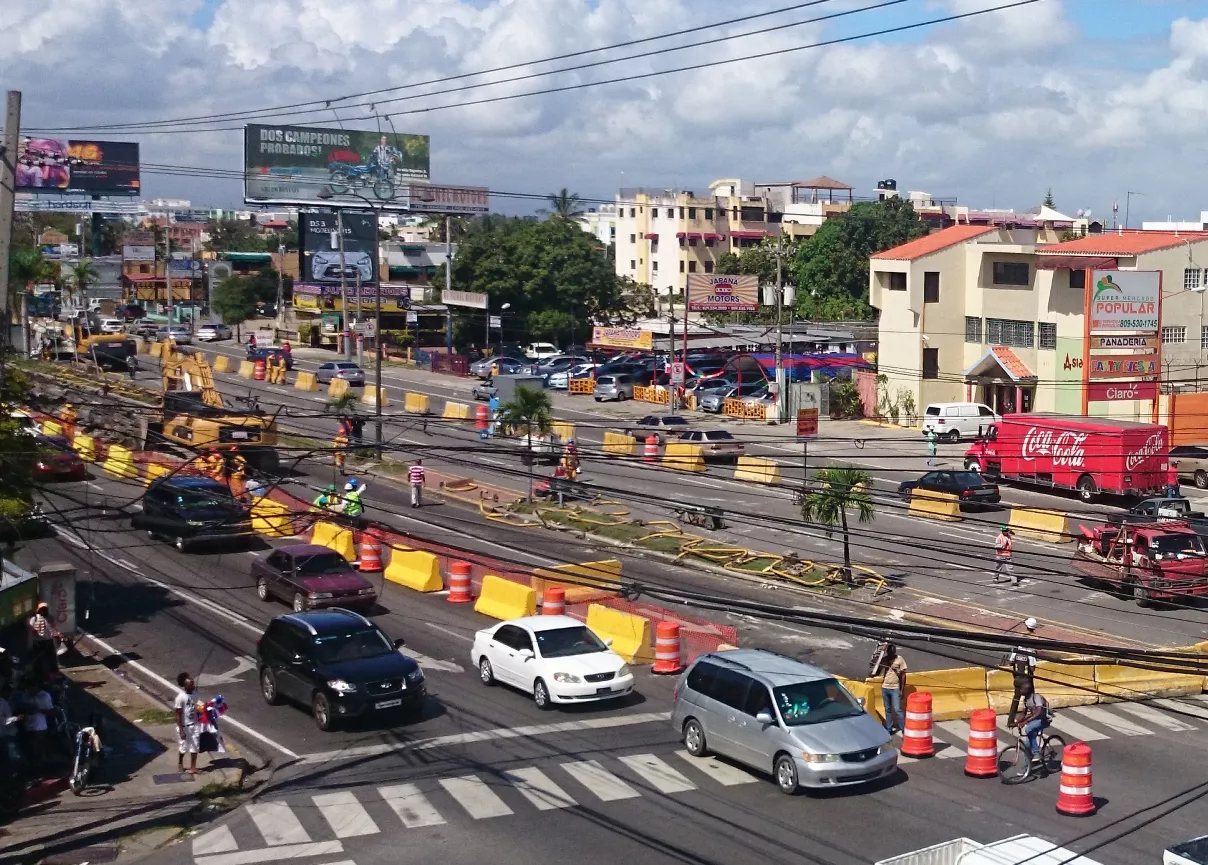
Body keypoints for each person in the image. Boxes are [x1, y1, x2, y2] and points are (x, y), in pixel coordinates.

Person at [1005, 618, 1039, 727]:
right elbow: (1033, 668)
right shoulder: (1030, 652)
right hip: (1027, 680)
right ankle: (1032, 716)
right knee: (1031, 697)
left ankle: (1010, 721)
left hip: (1017, 679)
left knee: (1016, 699)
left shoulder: (1016, 651)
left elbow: (1010, 663)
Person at [877, 642, 908, 735]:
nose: (891, 655)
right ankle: (889, 729)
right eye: (890, 653)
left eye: (893, 653)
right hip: (885, 687)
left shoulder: (900, 659)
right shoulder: (884, 660)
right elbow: (878, 671)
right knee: (888, 709)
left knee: (898, 709)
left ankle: (903, 729)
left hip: (895, 688)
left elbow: (903, 675)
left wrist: (902, 689)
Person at [1015, 680, 1050, 760]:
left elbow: (1038, 712)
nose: (1020, 690)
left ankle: (1036, 753)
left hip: (1044, 719)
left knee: (1028, 728)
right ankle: (1026, 770)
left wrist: (1026, 721)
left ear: (1027, 690)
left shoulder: (1036, 697)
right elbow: (1023, 714)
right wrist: (1017, 722)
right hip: (1035, 720)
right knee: (1027, 746)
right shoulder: (1025, 700)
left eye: (1021, 689)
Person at [27, 602, 61, 680]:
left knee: (52, 659)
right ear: (38, 610)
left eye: (45, 609)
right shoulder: (34, 619)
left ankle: (53, 674)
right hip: (38, 642)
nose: (43, 611)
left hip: (48, 641)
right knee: (38, 660)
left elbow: (53, 628)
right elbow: (31, 630)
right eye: (42, 609)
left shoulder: (50, 618)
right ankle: (39, 676)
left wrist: (57, 635)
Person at [174, 673, 200, 774]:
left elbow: (195, 706)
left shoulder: (195, 693)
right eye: (191, 684)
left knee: (195, 747)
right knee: (184, 747)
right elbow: (177, 715)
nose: (193, 686)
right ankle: (180, 763)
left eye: (193, 683)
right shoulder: (180, 698)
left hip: (195, 725)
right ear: (185, 686)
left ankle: (193, 767)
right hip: (184, 726)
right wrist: (181, 730)